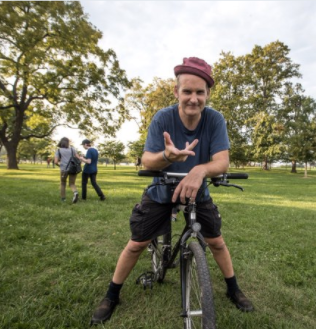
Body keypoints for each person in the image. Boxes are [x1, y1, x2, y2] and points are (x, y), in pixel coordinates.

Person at [90, 57, 254, 325]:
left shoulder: (214, 120)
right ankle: (111, 294)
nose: (193, 98)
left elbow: (221, 161)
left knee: (217, 242)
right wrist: (166, 155)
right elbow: (147, 160)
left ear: (207, 94)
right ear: (176, 91)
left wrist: (199, 171)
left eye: (200, 92)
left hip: (197, 192)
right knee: (137, 244)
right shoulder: (163, 118)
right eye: (187, 91)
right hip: (162, 192)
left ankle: (233, 288)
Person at [54, 137, 79, 204]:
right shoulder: (72, 149)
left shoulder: (59, 150)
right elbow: (78, 158)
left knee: (63, 183)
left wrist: (60, 165)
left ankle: (63, 199)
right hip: (73, 169)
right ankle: (75, 192)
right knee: (72, 183)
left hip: (63, 169)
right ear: (68, 142)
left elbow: (56, 162)